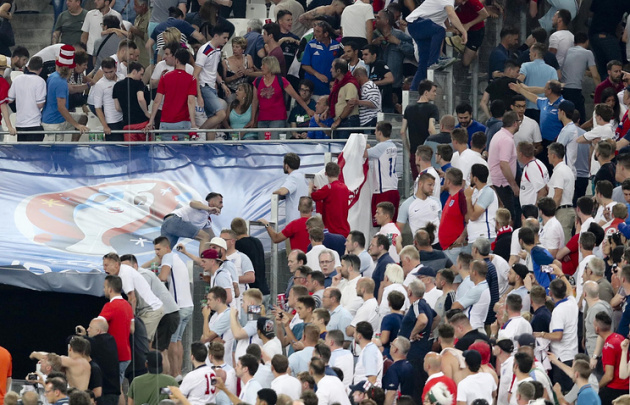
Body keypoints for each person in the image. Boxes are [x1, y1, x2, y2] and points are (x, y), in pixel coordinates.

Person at [405, 0, 468, 90]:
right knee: (440, 31)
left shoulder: (452, 4)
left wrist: (449, 27)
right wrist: (463, 31)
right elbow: (450, 14)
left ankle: (413, 91)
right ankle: (434, 61)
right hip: (416, 23)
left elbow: (443, 17)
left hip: (422, 28)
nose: (463, 3)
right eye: (463, 0)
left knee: (423, 65)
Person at [254, 56, 314, 138]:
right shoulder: (257, 81)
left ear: (270, 66)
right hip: (262, 118)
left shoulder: (281, 81)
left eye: (263, 65)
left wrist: (307, 109)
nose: (261, 67)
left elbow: (296, 96)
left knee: (275, 143)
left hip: (277, 119)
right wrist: (253, 119)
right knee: (262, 143)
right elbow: (255, 101)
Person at [147, 49, 198, 139]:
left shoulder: (165, 77)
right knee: (183, 148)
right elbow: (191, 102)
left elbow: (157, 100)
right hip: (183, 123)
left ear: (176, 60)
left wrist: (151, 121)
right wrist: (193, 124)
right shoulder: (192, 79)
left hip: (166, 123)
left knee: (166, 148)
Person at [41, 45, 89, 142]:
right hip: (54, 123)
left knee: (82, 118)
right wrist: (77, 125)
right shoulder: (60, 82)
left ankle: (73, 145)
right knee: (57, 150)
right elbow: (61, 107)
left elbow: (71, 89)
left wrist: (88, 85)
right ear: (70, 68)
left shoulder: (54, 76)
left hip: (58, 118)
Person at [399, 280, 437, 401]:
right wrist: (428, 330)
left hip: (414, 352)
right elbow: (436, 317)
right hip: (422, 351)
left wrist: (413, 334)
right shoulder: (425, 304)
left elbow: (423, 320)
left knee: (415, 387)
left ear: (410, 292)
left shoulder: (416, 305)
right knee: (419, 385)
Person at [401, 79, 439, 179]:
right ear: (426, 92)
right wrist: (437, 146)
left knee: (417, 182)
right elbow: (431, 129)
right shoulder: (432, 108)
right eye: (433, 91)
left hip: (415, 152)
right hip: (427, 153)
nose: (435, 94)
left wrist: (409, 151)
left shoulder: (408, 108)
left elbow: (402, 131)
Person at [194, 26, 230, 126]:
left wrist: (222, 84)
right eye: (224, 37)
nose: (226, 40)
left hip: (211, 86)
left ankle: (206, 136)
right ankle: (198, 133)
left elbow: (213, 70)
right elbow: (195, 74)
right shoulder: (204, 51)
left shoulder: (217, 49)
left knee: (214, 123)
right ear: (216, 36)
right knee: (221, 114)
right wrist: (199, 95)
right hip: (204, 86)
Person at [561, 33, 600, 124]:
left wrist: (586, 73)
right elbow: (595, 75)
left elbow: (571, 68)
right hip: (575, 90)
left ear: (574, 42)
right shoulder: (587, 53)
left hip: (564, 89)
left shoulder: (568, 51)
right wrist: (600, 90)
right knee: (580, 119)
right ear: (587, 42)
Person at [488, 111, 519, 221]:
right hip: (502, 184)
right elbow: (504, 164)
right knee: (508, 218)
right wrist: (514, 185)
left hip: (498, 182)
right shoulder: (506, 140)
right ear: (515, 123)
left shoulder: (499, 135)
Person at [7, 56, 46, 142]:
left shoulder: (17, 79)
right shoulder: (40, 81)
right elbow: (40, 104)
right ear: (40, 69)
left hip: (20, 124)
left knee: (22, 149)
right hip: (34, 123)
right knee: (34, 150)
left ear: (28, 67)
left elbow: (9, 99)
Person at [593, 312, 629, 405]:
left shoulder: (608, 346)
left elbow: (609, 376)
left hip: (615, 389)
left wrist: (597, 387)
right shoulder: (620, 337)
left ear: (597, 328)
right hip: (625, 386)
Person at [301, 21, 342, 96]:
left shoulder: (337, 46)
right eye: (315, 31)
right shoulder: (311, 45)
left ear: (326, 34)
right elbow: (305, 65)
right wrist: (317, 74)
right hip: (313, 89)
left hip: (329, 90)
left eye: (318, 31)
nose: (315, 34)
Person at [309, 162, 350, 237]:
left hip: (332, 230)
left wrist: (310, 188)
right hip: (344, 229)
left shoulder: (328, 188)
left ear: (326, 173)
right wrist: (320, 191)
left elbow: (314, 196)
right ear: (339, 173)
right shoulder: (345, 188)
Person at [112, 62, 150, 141]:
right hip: (142, 123)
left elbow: (117, 108)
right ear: (134, 72)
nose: (141, 77)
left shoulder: (116, 86)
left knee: (130, 148)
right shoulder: (139, 83)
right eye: (141, 74)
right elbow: (140, 98)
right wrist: (146, 113)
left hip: (128, 124)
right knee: (145, 147)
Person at [465, 164, 498, 245]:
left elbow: (473, 216)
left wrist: (468, 198)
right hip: (474, 238)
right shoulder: (477, 193)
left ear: (475, 178)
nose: (469, 178)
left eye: (471, 175)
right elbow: (468, 216)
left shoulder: (487, 192)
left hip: (484, 237)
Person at [92, 57, 124, 141]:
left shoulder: (122, 78)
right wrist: (105, 126)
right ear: (102, 70)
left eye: (111, 72)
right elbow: (98, 108)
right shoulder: (99, 85)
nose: (109, 75)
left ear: (115, 68)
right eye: (106, 72)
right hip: (112, 121)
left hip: (125, 118)